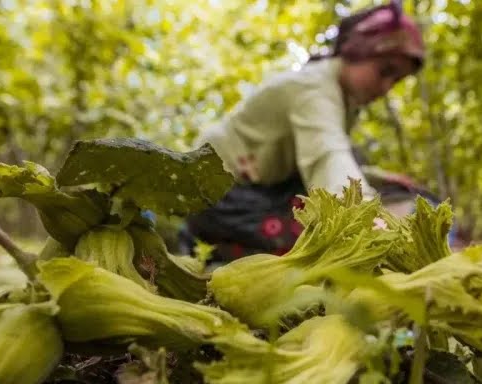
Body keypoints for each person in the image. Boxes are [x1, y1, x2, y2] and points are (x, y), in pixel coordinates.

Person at [181, 1, 426, 262]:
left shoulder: (342, 98)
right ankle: (210, 244)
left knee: (356, 166)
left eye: (396, 80)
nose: (386, 87)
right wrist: (372, 223)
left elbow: (331, 155)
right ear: (358, 51)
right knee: (317, 242)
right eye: (385, 71)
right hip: (218, 195)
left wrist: (379, 178)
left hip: (266, 187)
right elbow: (327, 158)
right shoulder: (314, 89)